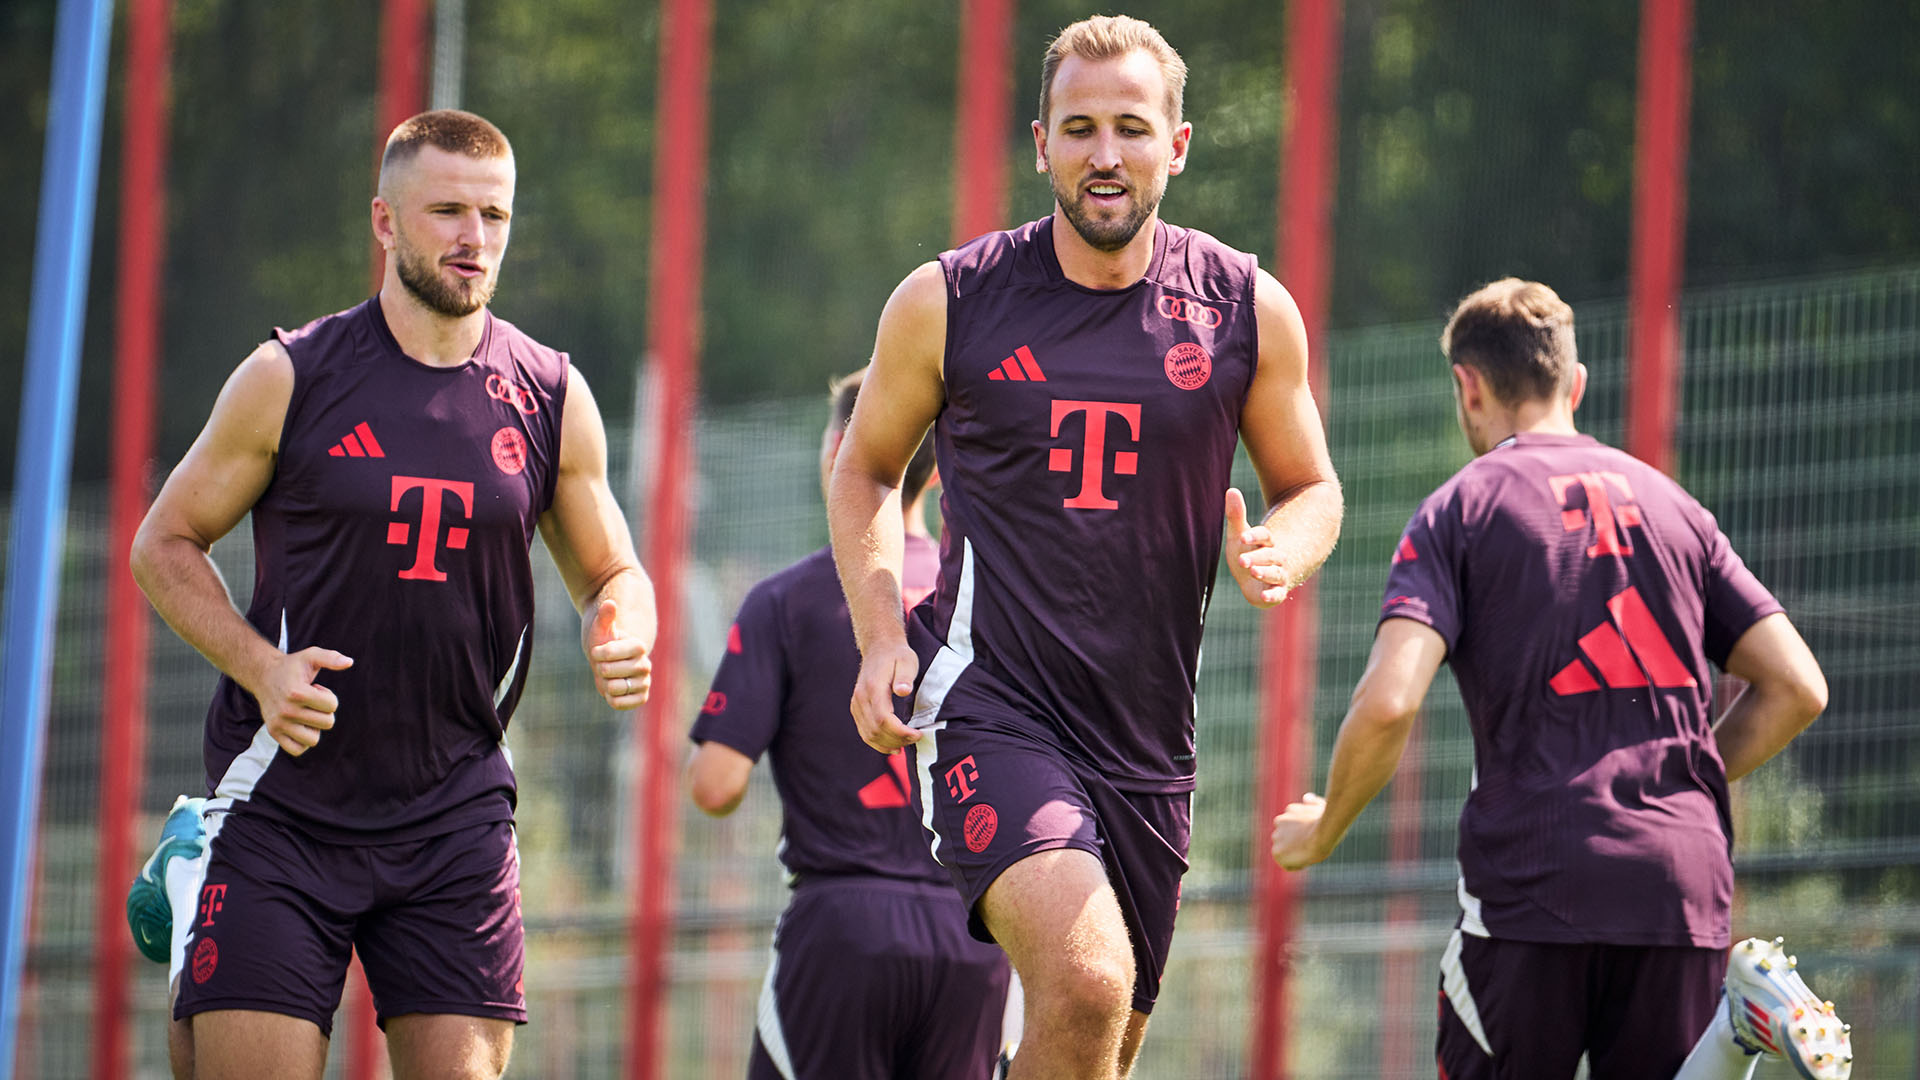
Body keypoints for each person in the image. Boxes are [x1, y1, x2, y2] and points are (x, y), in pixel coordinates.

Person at [828, 16, 1343, 1079]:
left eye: (1129, 128)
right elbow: (868, 471)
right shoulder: (950, 300)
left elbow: (1311, 488)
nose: (1105, 154)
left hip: (1150, 743)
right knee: (1087, 982)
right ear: (1041, 144)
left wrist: (1285, 549)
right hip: (991, 705)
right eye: (1079, 129)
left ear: (1179, 144)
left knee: (1096, 1047)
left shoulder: (1248, 309)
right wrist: (881, 636)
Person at [124, 109, 655, 1080]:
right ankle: (210, 864)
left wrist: (621, 626)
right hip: (287, 806)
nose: (474, 238)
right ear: (384, 222)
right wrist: (262, 669)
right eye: (447, 210)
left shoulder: (548, 395)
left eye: (494, 215)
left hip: (454, 813)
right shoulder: (290, 376)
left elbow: (613, 571)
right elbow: (163, 542)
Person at [1269, 278, 1851, 1079]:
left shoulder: (1461, 509)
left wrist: (1326, 825)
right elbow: (1798, 687)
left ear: (1467, 387)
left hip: (1536, 883)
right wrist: (1675, 781)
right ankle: (1740, 1021)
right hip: (1678, 882)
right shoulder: (1677, 509)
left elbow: (1391, 700)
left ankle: (1738, 1025)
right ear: (1574, 385)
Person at [686, 369, 1014, 1079]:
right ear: (936, 472)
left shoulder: (785, 601)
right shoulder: (987, 605)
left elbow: (716, 785)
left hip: (840, 928)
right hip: (977, 932)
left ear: (839, 447)